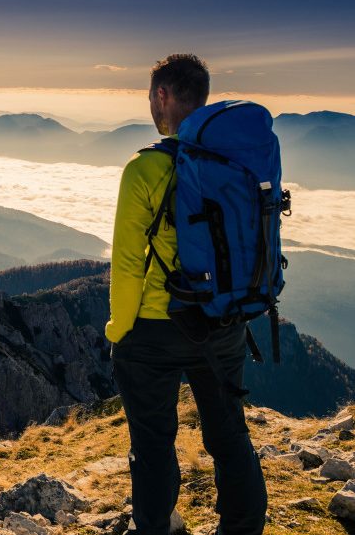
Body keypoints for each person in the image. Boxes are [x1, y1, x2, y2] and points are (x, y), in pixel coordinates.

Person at [105, 54, 268, 535]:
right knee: (229, 435)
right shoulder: (235, 160)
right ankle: (243, 527)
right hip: (224, 320)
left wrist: (120, 328)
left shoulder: (144, 169)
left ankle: (154, 528)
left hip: (155, 330)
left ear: (162, 95)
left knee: (154, 444)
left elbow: (129, 264)